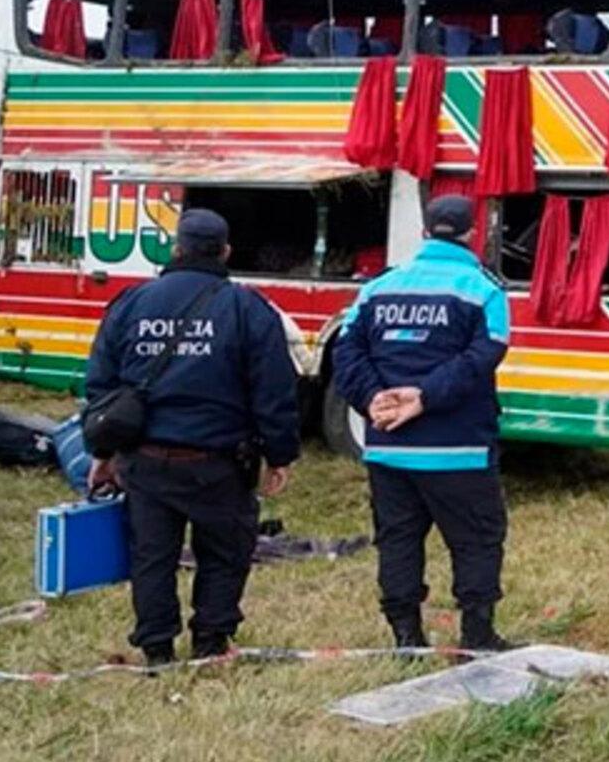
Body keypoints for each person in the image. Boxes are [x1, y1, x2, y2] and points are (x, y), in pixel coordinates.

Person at [81, 209, 298, 666]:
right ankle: (211, 642)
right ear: (226, 252)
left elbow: (101, 387)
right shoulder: (246, 308)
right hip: (218, 464)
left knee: (152, 557)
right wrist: (279, 455)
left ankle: (157, 649)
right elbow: (274, 389)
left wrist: (102, 453)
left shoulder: (130, 304)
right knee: (224, 553)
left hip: (145, 460)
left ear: (176, 249)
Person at [331, 196, 517, 651]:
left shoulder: (378, 289)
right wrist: (425, 398)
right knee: (476, 541)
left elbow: (345, 352)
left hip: (388, 449)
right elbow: (481, 359)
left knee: (397, 540)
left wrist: (372, 397)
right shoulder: (485, 291)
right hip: (460, 451)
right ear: (475, 233)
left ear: (426, 231)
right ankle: (477, 636)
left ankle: (406, 639)